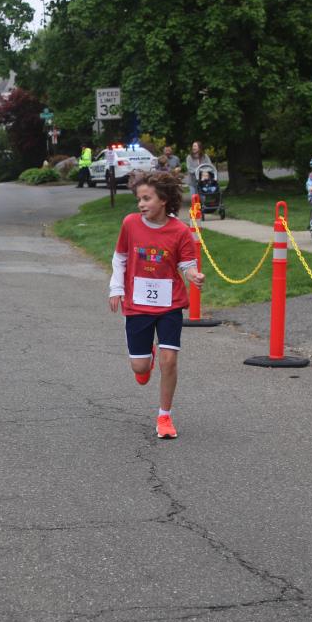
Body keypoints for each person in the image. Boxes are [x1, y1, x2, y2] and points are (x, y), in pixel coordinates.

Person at [108, 171, 204, 439]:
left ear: (163, 199)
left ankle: (164, 416)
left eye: (146, 198)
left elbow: (187, 263)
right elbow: (120, 257)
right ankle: (145, 358)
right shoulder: (130, 224)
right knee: (140, 368)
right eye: (139, 199)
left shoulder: (180, 231)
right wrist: (116, 288)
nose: (141, 204)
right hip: (138, 305)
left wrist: (193, 275)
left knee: (169, 360)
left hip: (169, 303)